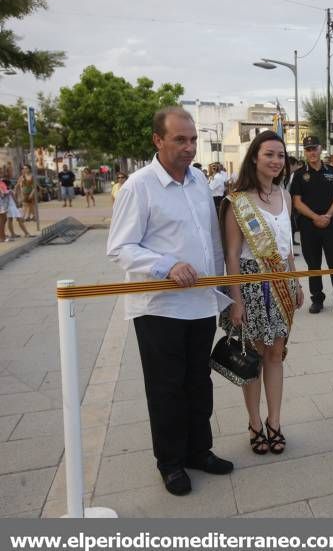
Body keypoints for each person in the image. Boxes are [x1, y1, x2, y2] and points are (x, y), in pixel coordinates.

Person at [107, 106, 233, 496]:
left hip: (199, 305)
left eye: (193, 139)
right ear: (157, 140)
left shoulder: (198, 181)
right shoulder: (139, 187)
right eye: (180, 139)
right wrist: (166, 265)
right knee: (167, 388)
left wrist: (224, 290)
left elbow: (211, 239)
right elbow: (120, 247)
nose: (189, 147)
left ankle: (199, 450)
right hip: (159, 308)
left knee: (199, 382)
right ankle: (171, 462)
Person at [219, 130, 303, 455]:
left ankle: (275, 422)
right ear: (255, 156)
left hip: (281, 281)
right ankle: (255, 423)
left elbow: (287, 248)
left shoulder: (284, 195)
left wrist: (295, 282)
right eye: (269, 154)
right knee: (253, 354)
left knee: (276, 353)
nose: (276, 161)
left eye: (280, 155)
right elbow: (231, 255)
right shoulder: (237, 201)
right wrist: (235, 300)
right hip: (252, 283)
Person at [289, 136, 333, 314]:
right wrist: (315, 217)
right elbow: (297, 201)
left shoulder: (332, 172)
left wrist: (327, 215)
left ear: (320, 149)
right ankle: (317, 299)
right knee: (313, 265)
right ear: (305, 152)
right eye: (308, 149)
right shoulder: (300, 175)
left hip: (331, 225)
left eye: (314, 148)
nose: (312, 152)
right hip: (309, 227)